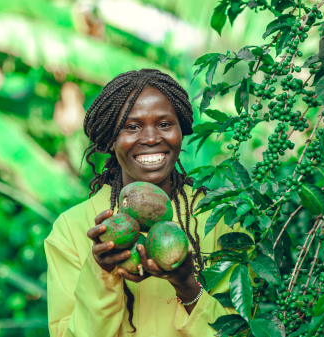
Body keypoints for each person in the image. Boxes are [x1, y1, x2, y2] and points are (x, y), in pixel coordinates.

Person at [45, 69, 251, 336]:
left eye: (165, 124)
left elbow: (240, 330)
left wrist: (187, 285)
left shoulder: (220, 219)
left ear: (181, 131)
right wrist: (102, 273)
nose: (152, 138)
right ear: (110, 140)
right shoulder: (71, 229)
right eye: (132, 127)